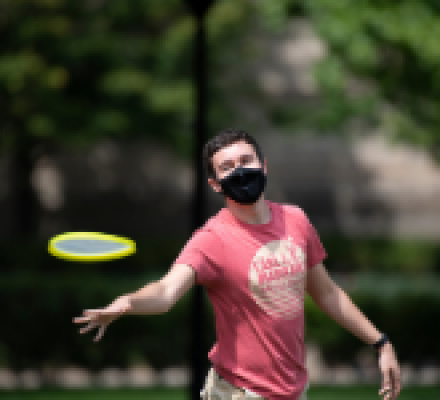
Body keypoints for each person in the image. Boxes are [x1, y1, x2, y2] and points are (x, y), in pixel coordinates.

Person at [74, 129, 401, 400]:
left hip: (294, 391)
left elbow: (327, 293)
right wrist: (128, 302)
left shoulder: (296, 220)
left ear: (264, 165)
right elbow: (166, 291)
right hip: (238, 393)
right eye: (228, 167)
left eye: (246, 161)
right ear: (215, 184)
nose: (240, 171)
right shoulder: (211, 239)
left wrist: (381, 343)